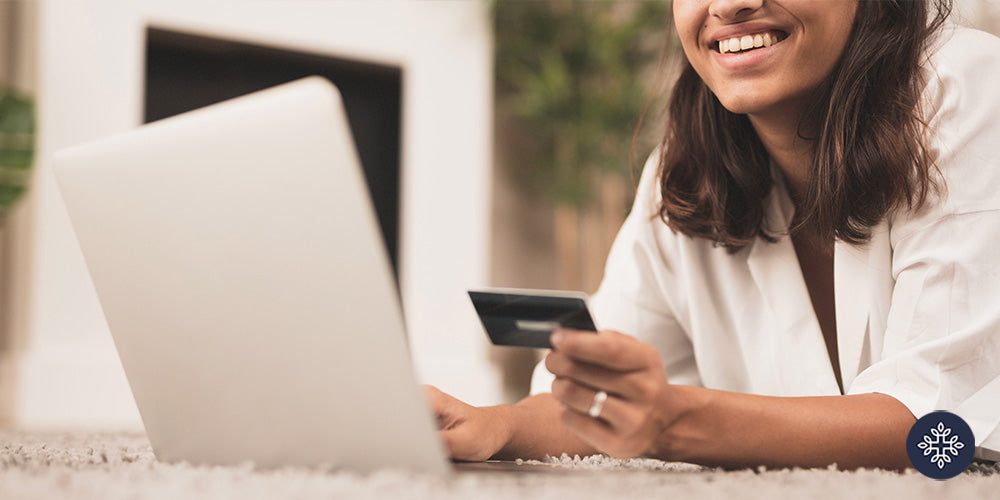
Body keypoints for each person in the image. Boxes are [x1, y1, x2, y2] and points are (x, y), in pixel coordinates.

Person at [426, 0, 1000, 470]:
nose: (729, 5)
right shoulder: (683, 169)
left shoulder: (970, 87)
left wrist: (674, 420)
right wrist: (494, 426)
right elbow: (601, 402)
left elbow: (939, 435)